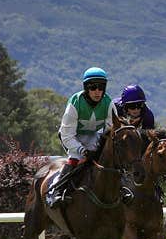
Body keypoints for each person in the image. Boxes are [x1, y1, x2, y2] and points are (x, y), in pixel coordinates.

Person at [47, 67, 131, 208]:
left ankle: (121, 186)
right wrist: (82, 150)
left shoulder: (108, 102)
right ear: (86, 88)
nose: (97, 91)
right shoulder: (75, 102)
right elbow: (67, 135)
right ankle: (57, 191)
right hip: (72, 136)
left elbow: (111, 130)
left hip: (93, 135)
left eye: (101, 87)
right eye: (93, 87)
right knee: (77, 157)